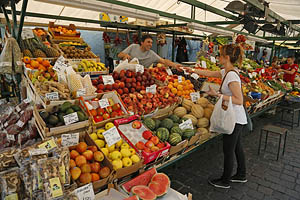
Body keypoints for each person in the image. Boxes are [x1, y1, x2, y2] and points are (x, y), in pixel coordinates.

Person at [184, 44, 247, 189]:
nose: (218, 57)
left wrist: (217, 95)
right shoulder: (227, 71)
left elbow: (239, 100)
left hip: (234, 118)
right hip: (236, 118)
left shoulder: (231, 75)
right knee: (237, 147)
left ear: (226, 58)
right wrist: (192, 70)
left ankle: (225, 181)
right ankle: (241, 174)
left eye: (220, 55)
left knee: (229, 150)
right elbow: (210, 74)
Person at [118, 34, 182, 69]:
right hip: (127, 74)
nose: (150, 44)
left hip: (141, 78)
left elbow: (164, 61)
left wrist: (175, 65)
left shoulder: (151, 54)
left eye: (151, 43)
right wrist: (124, 55)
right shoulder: (133, 47)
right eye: (148, 42)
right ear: (142, 42)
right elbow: (119, 55)